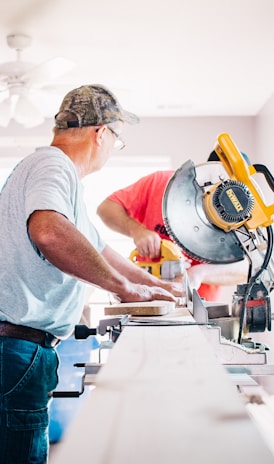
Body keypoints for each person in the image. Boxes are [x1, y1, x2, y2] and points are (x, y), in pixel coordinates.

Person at [0, 84, 183, 464]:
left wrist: (156, 286)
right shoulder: (53, 166)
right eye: (117, 139)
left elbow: (100, 249)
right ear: (102, 133)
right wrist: (124, 289)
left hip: (19, 350)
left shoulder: (52, 175)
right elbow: (49, 232)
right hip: (15, 350)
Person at [97, 154, 250, 302]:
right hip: (145, 296)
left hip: (198, 305)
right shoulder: (162, 183)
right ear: (205, 171)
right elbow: (106, 208)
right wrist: (137, 230)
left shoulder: (242, 217)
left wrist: (199, 273)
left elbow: (249, 268)